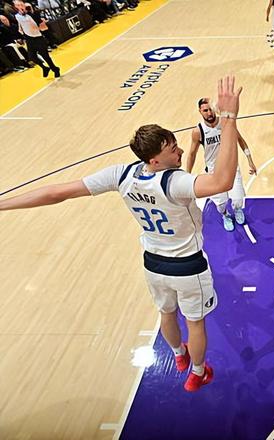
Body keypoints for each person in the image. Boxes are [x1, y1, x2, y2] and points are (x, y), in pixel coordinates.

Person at [0, 76, 243, 392]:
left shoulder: (121, 174)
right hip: (187, 266)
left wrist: (3, 204)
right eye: (173, 150)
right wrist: (229, 118)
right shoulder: (175, 182)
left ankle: (178, 355)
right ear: (155, 160)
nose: (181, 151)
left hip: (153, 264)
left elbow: (57, 192)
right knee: (195, 323)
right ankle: (198, 372)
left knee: (166, 313)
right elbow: (223, 180)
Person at [185, 97, 257, 232]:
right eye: (205, 110)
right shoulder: (198, 131)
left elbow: (240, 140)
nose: (209, 113)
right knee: (221, 204)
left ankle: (237, 210)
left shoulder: (226, 124)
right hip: (214, 171)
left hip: (232, 167)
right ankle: (225, 215)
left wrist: (250, 161)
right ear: (200, 111)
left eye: (210, 109)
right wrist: (187, 176)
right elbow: (192, 154)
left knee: (238, 200)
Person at [12, 0, 59, 77]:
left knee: (45, 56)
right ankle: (44, 68)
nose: (20, 6)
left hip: (38, 37)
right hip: (29, 38)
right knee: (32, 57)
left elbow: (42, 25)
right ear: (15, 7)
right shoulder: (16, 16)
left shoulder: (32, 14)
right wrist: (21, 36)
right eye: (18, 5)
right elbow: (19, 26)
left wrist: (40, 23)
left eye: (21, 4)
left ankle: (55, 69)